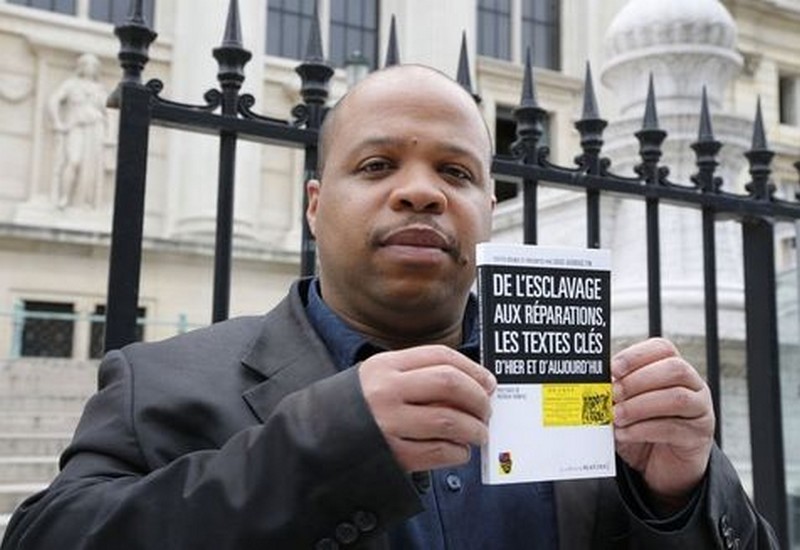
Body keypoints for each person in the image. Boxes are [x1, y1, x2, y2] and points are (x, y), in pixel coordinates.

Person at [2, 65, 777, 549]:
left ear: (489, 207)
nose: (419, 190)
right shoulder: (159, 382)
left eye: (456, 171)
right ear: (315, 205)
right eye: (376, 165)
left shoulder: (588, 398)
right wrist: (322, 445)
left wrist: (683, 497)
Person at [48, 52, 107, 210]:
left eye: (94, 65)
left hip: (96, 127)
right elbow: (54, 100)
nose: (90, 67)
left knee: (91, 167)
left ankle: (85, 202)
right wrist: (57, 122)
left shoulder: (99, 88)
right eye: (87, 64)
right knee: (74, 161)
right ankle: (65, 197)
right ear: (81, 66)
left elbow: (109, 112)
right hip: (76, 126)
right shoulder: (71, 84)